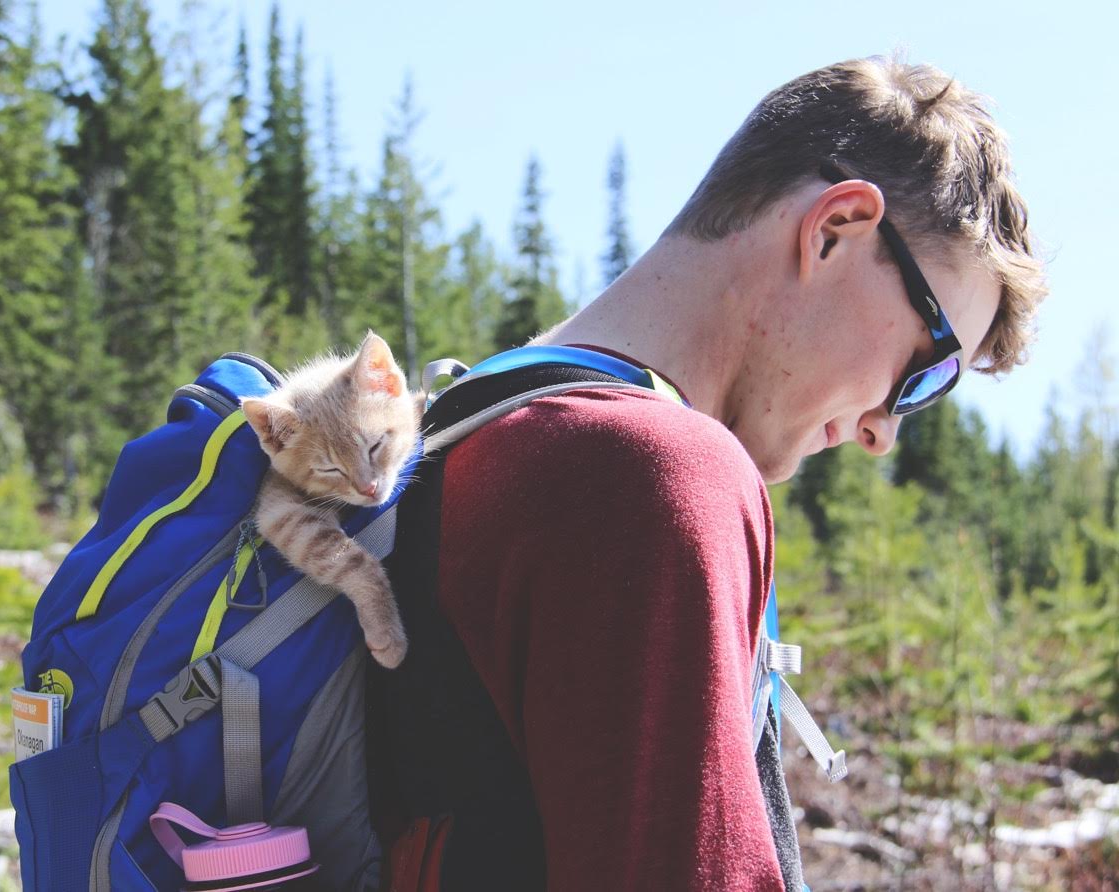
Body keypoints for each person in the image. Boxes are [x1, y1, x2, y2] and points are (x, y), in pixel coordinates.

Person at [371, 55, 1046, 891]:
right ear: (833, 229)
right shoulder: (655, 477)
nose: (883, 431)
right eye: (924, 368)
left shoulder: (474, 423)